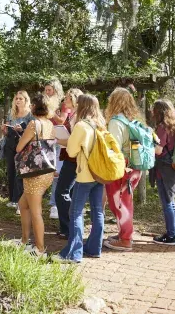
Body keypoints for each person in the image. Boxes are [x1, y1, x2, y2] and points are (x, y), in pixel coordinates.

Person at [57, 94, 105, 263]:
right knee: (97, 211)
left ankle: (73, 253)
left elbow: (71, 151)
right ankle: (94, 248)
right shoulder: (101, 124)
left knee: (75, 212)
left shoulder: (81, 126)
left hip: (85, 174)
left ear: (82, 106)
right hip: (99, 174)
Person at [15, 92, 56, 257]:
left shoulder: (34, 124)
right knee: (23, 204)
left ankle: (39, 249)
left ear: (33, 107)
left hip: (34, 172)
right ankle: (25, 241)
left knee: (35, 211)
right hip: (47, 172)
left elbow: (19, 148)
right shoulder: (49, 124)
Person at [102, 87, 144, 252]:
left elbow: (114, 148)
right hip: (134, 166)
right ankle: (123, 235)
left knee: (120, 203)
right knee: (124, 202)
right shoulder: (132, 119)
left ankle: (125, 240)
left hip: (122, 166)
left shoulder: (116, 122)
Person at [151, 99, 175, 245]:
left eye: (154, 109)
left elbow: (158, 150)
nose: (152, 112)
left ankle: (171, 236)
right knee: (171, 201)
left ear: (159, 111)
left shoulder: (162, 127)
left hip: (163, 168)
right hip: (171, 166)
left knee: (167, 202)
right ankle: (174, 233)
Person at [53, 88, 83, 238]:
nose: (65, 101)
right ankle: (70, 226)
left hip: (73, 158)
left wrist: (58, 139)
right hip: (71, 156)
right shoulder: (74, 115)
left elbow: (73, 140)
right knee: (69, 191)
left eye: (67, 99)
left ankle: (67, 227)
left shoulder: (78, 117)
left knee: (61, 192)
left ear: (75, 100)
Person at [2, 90, 33, 213]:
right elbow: (6, 132)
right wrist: (4, 130)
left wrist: (22, 129)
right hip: (10, 144)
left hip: (23, 145)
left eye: (21, 98)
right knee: (11, 171)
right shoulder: (12, 113)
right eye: (16, 98)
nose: (18, 100)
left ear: (26, 100)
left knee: (20, 173)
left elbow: (32, 130)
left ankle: (19, 200)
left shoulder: (30, 114)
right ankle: (12, 200)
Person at [43, 79, 64, 220]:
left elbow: (62, 120)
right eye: (46, 90)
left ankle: (54, 205)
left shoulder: (63, 104)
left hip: (59, 141)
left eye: (49, 90)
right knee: (43, 172)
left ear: (56, 90)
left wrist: (51, 111)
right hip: (45, 139)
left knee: (56, 173)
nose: (46, 92)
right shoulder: (43, 103)